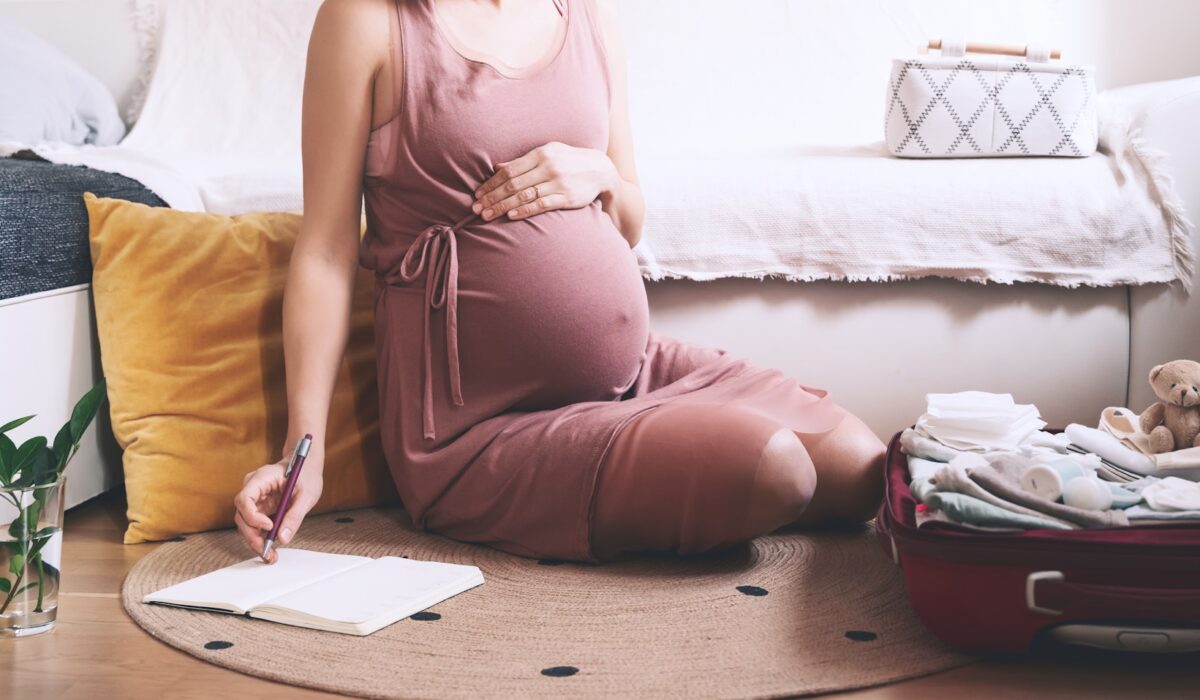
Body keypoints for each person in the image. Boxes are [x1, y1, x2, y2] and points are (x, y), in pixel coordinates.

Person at [234, 0, 886, 564]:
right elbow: (325, 250)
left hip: (633, 375)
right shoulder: (369, 22)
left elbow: (629, 215)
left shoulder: (588, 15)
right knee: (777, 471)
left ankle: (671, 466)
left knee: (860, 468)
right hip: (475, 431)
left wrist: (598, 172)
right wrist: (304, 446)